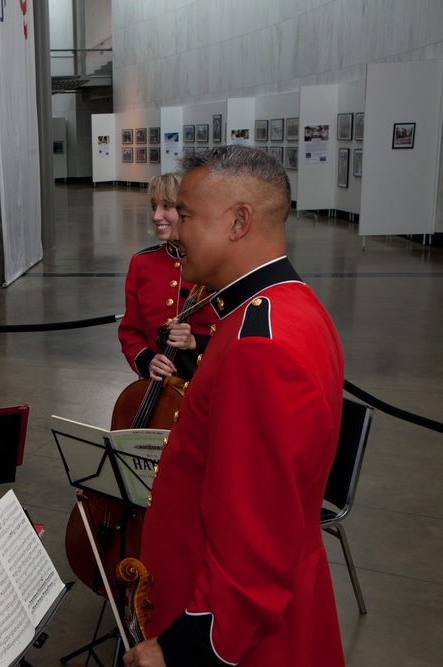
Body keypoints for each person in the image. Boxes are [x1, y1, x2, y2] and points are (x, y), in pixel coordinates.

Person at [123, 146, 345, 667]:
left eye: (188, 216)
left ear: (239, 221)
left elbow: (254, 550)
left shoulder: (258, 347)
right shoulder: (290, 306)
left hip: (246, 640)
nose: (174, 232)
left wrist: (184, 651)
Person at [118, 173, 217, 382]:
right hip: (158, 389)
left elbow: (236, 333)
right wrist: (147, 361)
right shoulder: (141, 263)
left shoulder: (216, 264)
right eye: (154, 206)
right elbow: (130, 331)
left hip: (205, 382)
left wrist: (194, 342)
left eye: (166, 206)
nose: (156, 216)